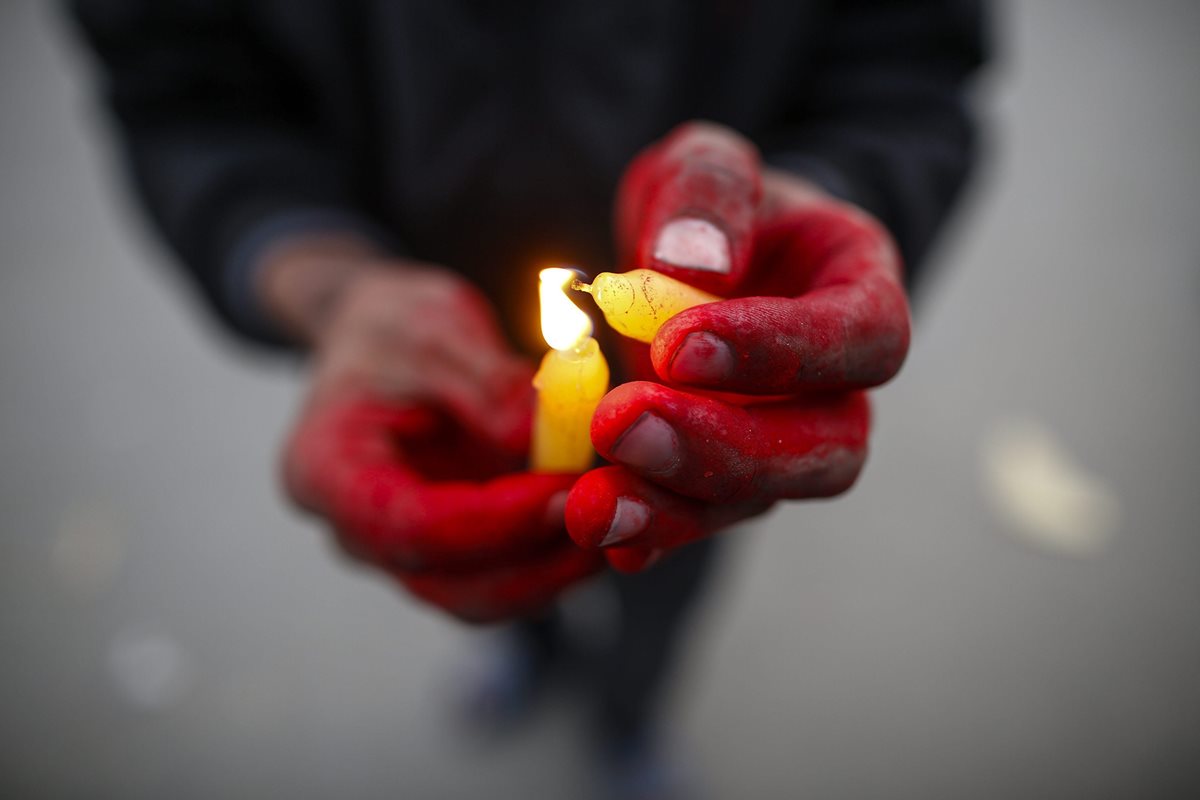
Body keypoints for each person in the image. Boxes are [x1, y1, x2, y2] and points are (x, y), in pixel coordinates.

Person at [69, 1, 986, 795]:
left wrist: (812, 220)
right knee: (510, 546)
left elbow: (908, 60)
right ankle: (528, 653)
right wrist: (331, 287)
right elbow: (180, 85)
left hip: (696, 381)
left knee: (660, 559)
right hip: (444, 358)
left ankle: (629, 717)